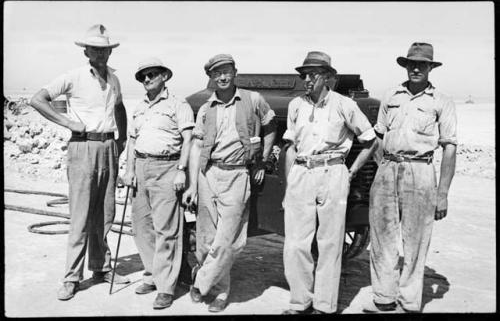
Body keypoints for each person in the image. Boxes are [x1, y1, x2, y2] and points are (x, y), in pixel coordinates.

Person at [29, 24, 129, 301]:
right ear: (86, 51)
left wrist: (121, 141)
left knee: (105, 211)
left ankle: (101, 267)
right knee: (82, 215)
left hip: (108, 146)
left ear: (110, 51)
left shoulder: (114, 79)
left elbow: (119, 108)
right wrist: (69, 123)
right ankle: (72, 277)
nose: (101, 53)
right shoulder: (72, 76)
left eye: (105, 49)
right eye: (95, 49)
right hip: (82, 147)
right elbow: (38, 100)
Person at [282, 51, 377, 314]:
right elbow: (290, 147)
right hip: (302, 172)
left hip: (333, 172)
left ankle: (325, 306)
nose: (307, 79)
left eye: (313, 74)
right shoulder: (296, 105)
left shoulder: (344, 104)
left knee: (330, 243)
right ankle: (300, 302)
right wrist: (291, 182)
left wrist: (350, 172)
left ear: (328, 78)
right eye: (304, 75)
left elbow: (370, 141)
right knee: (295, 244)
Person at [364, 42, 457, 313]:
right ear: (405, 66)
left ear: (430, 67)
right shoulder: (390, 95)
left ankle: (409, 301)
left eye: (422, 64)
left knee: (416, 239)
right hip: (388, 169)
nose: (416, 68)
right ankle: (383, 297)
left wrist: (442, 193)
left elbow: (449, 147)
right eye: (411, 63)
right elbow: (379, 136)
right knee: (382, 236)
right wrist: (383, 166)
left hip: (421, 171)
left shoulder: (442, 102)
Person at [182, 54, 276, 312]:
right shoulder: (205, 108)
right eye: (216, 73)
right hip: (208, 175)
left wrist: (262, 161)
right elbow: (196, 146)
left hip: (237, 175)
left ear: (235, 72)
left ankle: (203, 283)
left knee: (228, 240)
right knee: (206, 239)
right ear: (211, 77)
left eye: (226, 71)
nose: (222, 77)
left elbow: (271, 125)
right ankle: (219, 289)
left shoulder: (252, 99)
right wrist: (192, 184)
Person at [120, 57, 195, 309]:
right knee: (141, 226)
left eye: (152, 74)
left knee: (167, 229)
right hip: (141, 167)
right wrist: (129, 169)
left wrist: (182, 171)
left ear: (164, 76)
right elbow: (132, 140)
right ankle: (152, 274)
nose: (147, 79)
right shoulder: (139, 107)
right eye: (143, 76)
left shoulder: (178, 104)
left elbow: (188, 141)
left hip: (168, 167)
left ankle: (166, 287)